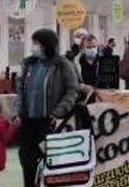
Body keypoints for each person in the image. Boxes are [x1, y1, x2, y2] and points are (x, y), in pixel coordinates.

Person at [13, 28, 79, 187]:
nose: (34, 47)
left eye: (37, 43)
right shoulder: (29, 64)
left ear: (47, 45)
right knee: (27, 160)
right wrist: (18, 112)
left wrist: (59, 111)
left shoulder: (63, 65)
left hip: (49, 122)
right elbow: (21, 90)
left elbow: (72, 90)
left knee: (50, 162)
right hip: (28, 122)